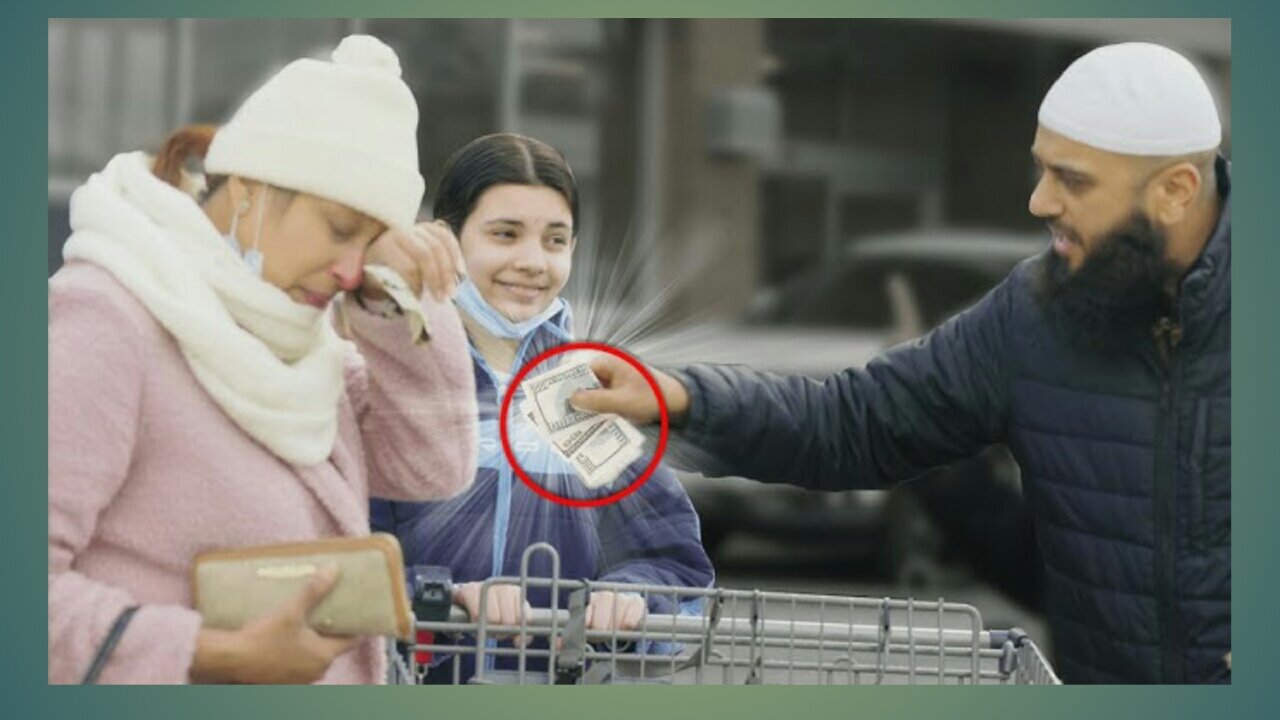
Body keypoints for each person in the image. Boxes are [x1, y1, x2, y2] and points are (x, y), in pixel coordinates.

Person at [570, 43, 1231, 684]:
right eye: (1042, 168)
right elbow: (851, 423)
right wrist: (682, 397)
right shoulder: (1032, 315)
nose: (1040, 201)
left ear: (1174, 191)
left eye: (1073, 180)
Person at [48, 35, 479, 684]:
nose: (349, 270)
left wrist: (399, 296)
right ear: (249, 189)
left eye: (371, 245)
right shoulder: (113, 316)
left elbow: (433, 467)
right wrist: (209, 651)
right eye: (339, 229)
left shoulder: (302, 346)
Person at [371, 133, 713, 681]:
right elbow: (341, 551)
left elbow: (673, 563)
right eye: (505, 235)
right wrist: (444, 595)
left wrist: (631, 598)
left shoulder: (583, 396)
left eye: (555, 241)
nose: (532, 262)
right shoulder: (396, 376)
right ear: (447, 238)